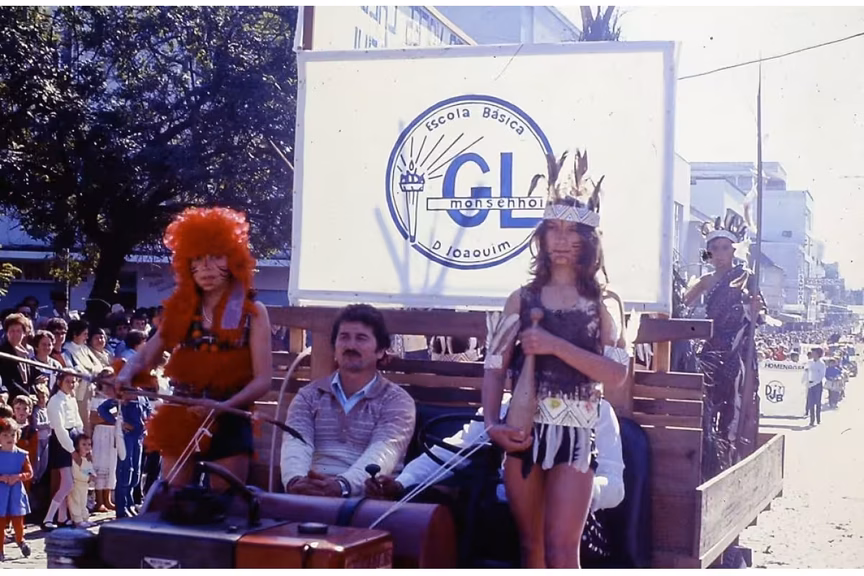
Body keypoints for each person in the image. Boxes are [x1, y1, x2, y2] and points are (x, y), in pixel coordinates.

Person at [481, 150, 630, 569]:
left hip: (577, 435)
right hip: (524, 430)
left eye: (572, 231)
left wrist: (553, 344)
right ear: (542, 237)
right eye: (553, 229)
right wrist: (492, 423)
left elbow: (616, 374)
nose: (562, 240)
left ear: (589, 241)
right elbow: (494, 367)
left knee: (563, 549)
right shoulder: (521, 298)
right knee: (532, 547)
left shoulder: (604, 302)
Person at [115, 207, 274, 490]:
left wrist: (224, 406)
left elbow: (263, 380)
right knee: (173, 499)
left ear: (234, 258)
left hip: (230, 417)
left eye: (216, 256)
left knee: (225, 502)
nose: (206, 267)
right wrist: (125, 375)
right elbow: (148, 353)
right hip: (182, 415)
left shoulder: (253, 312)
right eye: (197, 259)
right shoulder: (182, 311)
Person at [280, 304, 416, 497]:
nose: (351, 346)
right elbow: (296, 444)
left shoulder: (397, 402)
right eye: (344, 337)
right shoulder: (308, 396)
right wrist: (296, 481)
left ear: (380, 350)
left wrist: (342, 486)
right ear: (334, 347)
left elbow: (383, 453)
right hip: (310, 495)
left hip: (367, 503)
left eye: (361, 338)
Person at [684, 209, 764, 477]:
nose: (719, 253)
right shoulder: (705, 280)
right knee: (707, 401)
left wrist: (754, 307)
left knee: (737, 402)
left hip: (738, 348)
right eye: (714, 248)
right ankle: (709, 455)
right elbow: (682, 304)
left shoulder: (745, 276)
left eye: (725, 248)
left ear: (734, 250)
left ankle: (734, 456)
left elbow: (759, 313)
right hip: (711, 346)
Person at [43, 372, 84, 530]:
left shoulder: (71, 399)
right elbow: (60, 429)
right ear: (59, 382)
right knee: (67, 483)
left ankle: (62, 517)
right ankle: (48, 518)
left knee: (67, 483)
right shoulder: (55, 401)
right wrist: (72, 450)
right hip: (62, 442)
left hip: (73, 438)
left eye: (73, 382)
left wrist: (81, 443)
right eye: (68, 381)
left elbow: (78, 422)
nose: (71, 385)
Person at [0, 418, 32, 561]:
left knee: (18, 518)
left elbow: (29, 473)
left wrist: (18, 477)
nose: (9, 438)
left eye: (12, 435)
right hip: (1, 491)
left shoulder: (22, 454)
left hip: (16, 491)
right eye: (5, 435)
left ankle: (20, 540)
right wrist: (2, 478)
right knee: (1, 520)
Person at [0, 313, 38, 402]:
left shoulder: (26, 353)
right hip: (13, 400)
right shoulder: (3, 353)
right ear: (7, 333)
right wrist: (27, 396)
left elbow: (31, 377)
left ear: (24, 333)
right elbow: (8, 381)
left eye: (18, 331)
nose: (15, 334)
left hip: (27, 400)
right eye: (12, 331)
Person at [68, 434, 96, 528]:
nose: (87, 447)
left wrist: (93, 475)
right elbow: (76, 473)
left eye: (89, 444)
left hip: (84, 485)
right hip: (77, 484)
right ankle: (77, 520)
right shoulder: (76, 460)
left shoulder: (88, 459)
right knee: (76, 502)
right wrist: (87, 477)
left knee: (83, 502)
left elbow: (90, 469)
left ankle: (85, 518)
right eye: (83, 444)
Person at [803, 347, 826, 426]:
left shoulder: (821, 364)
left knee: (818, 402)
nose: (812, 354)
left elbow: (821, 376)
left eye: (814, 353)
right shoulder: (809, 362)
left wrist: (814, 383)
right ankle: (812, 420)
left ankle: (818, 419)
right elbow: (805, 372)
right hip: (810, 384)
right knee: (811, 403)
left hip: (817, 384)